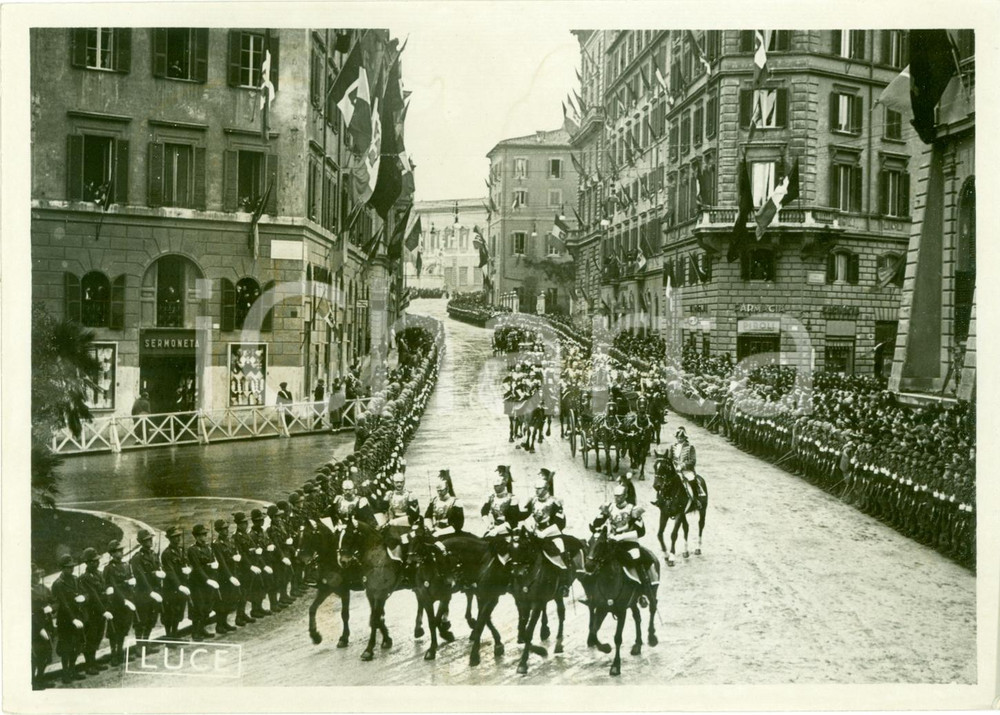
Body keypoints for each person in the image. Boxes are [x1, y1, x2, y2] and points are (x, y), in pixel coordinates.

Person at [590, 485, 656, 605]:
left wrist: (621, 536)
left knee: (637, 559)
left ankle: (642, 592)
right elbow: (595, 524)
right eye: (615, 496)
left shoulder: (633, 510)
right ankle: (592, 591)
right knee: (596, 558)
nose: (617, 498)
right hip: (611, 543)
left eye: (620, 496)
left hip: (629, 543)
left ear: (625, 496)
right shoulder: (609, 508)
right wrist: (601, 520)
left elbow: (640, 531)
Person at [51, 554, 87, 683]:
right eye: (67, 567)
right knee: (66, 647)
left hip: (77, 616)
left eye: (72, 567)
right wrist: (73, 619)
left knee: (76, 646)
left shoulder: (75, 579)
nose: (71, 569)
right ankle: (66, 673)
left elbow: (84, 593)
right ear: (62, 568)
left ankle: (73, 670)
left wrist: (83, 597)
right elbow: (63, 604)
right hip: (66, 620)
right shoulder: (58, 584)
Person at [101, 540, 137, 665]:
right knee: (114, 630)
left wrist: (131, 582)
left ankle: (120, 652)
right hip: (116, 603)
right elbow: (113, 586)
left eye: (121, 550)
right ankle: (114, 654)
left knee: (123, 628)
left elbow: (129, 578)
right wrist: (124, 600)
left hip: (128, 600)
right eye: (117, 551)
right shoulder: (109, 568)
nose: (120, 553)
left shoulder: (127, 565)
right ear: (112, 553)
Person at [78, 547, 110, 675]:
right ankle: (89, 664)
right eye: (93, 561)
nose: (96, 563)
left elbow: (103, 590)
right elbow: (93, 596)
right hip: (92, 613)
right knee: (91, 638)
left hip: (100, 612)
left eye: (97, 560)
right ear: (87, 563)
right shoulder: (85, 578)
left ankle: (94, 662)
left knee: (97, 638)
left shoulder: (99, 574)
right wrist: (103, 610)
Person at [186, 524, 221, 639]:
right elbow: (197, 568)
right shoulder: (192, 550)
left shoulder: (208, 548)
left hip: (209, 581)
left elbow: (211, 561)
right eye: (201, 535)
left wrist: (214, 566)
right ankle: (196, 632)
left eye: (205, 534)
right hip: (198, 583)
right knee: (198, 608)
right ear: (196, 537)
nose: (204, 537)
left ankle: (202, 629)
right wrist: (207, 579)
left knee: (207, 607)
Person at [129, 529, 164, 643]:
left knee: (152, 619)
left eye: (150, 539)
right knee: (141, 621)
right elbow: (140, 576)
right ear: (141, 542)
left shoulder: (154, 555)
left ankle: (146, 643)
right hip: (143, 593)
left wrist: (160, 574)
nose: (149, 541)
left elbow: (158, 568)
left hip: (155, 590)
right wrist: (150, 591)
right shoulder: (137, 558)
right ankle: (140, 645)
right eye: (146, 540)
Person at [212, 519, 244, 631]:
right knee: (222, 601)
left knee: (230, 599)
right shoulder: (216, 544)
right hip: (224, 576)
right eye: (222, 529)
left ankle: (224, 622)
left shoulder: (230, 541)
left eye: (226, 528)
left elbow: (235, 552)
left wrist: (237, 557)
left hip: (233, 572)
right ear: (218, 531)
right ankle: (219, 624)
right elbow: (222, 562)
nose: (225, 531)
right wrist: (230, 576)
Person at [160, 526, 191, 638]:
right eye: (174, 537)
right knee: (170, 613)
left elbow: (187, 563)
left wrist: (189, 569)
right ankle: (169, 636)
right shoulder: (167, 553)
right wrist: (179, 586)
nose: (177, 539)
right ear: (169, 538)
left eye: (178, 536)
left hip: (182, 585)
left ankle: (175, 633)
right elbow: (170, 571)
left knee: (179, 611)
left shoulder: (182, 551)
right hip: (171, 588)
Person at [31, 563, 55, 688]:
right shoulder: (26, 591)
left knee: (46, 653)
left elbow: (54, 601)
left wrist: (51, 607)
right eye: (34, 575)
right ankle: (33, 682)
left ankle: (40, 678)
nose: (37, 577)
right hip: (35, 627)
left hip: (47, 623)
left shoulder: (43, 588)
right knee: (36, 655)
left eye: (38, 575)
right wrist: (39, 628)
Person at [424, 471, 464, 538]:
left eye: (441, 490)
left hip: (450, 532)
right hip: (435, 530)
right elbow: (427, 516)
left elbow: (458, 524)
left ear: (447, 489)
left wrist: (441, 532)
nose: (439, 493)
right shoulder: (434, 501)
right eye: (438, 491)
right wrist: (431, 529)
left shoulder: (456, 502)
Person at [671, 426, 700, 513]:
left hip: (686, 470)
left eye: (681, 437)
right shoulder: (673, 446)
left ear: (685, 437)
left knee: (691, 480)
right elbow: (670, 459)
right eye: (678, 437)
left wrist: (682, 465)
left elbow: (692, 461)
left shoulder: (690, 447)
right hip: (675, 469)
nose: (679, 439)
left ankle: (695, 500)